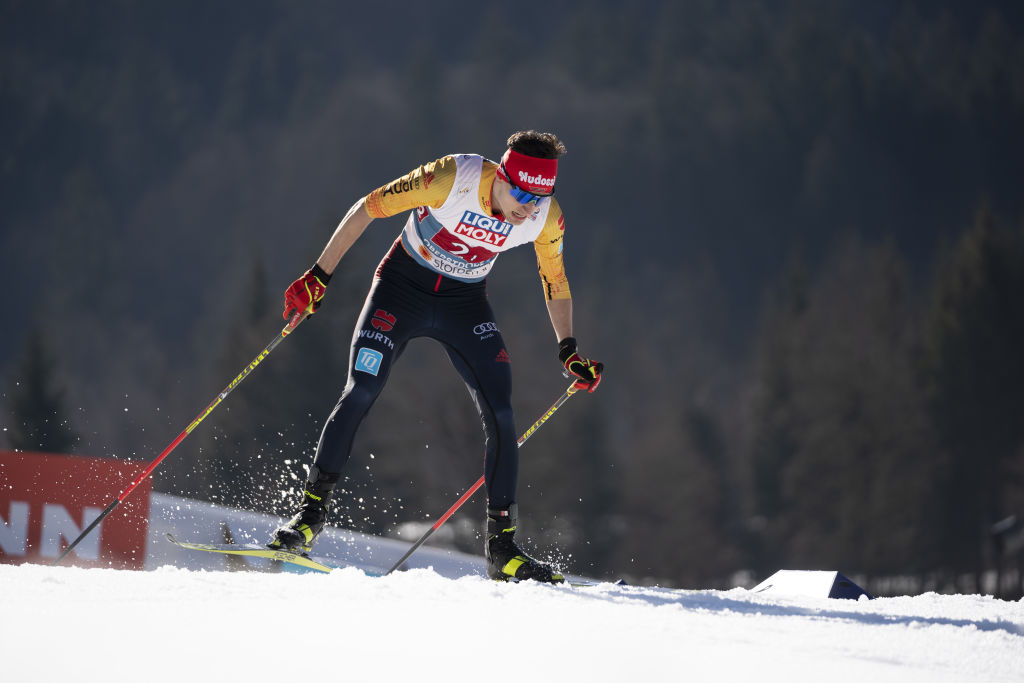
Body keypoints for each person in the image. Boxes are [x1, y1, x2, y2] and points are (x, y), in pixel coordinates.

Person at [268, 130, 603, 583]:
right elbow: (368, 206)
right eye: (520, 193)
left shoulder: (545, 218)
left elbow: (555, 280)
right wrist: (320, 274)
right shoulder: (452, 176)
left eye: (538, 198)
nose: (526, 207)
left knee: (501, 412)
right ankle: (306, 521)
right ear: (500, 177)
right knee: (362, 388)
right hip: (401, 290)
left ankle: (502, 551)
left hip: (464, 306)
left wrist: (568, 350)